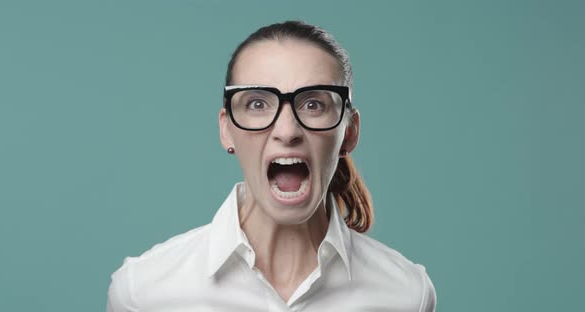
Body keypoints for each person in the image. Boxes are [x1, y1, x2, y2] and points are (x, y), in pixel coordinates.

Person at [107, 20, 436, 311]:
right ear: (227, 128)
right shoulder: (144, 293)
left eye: (313, 104)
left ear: (349, 132)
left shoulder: (406, 295)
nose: (288, 131)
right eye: (257, 103)